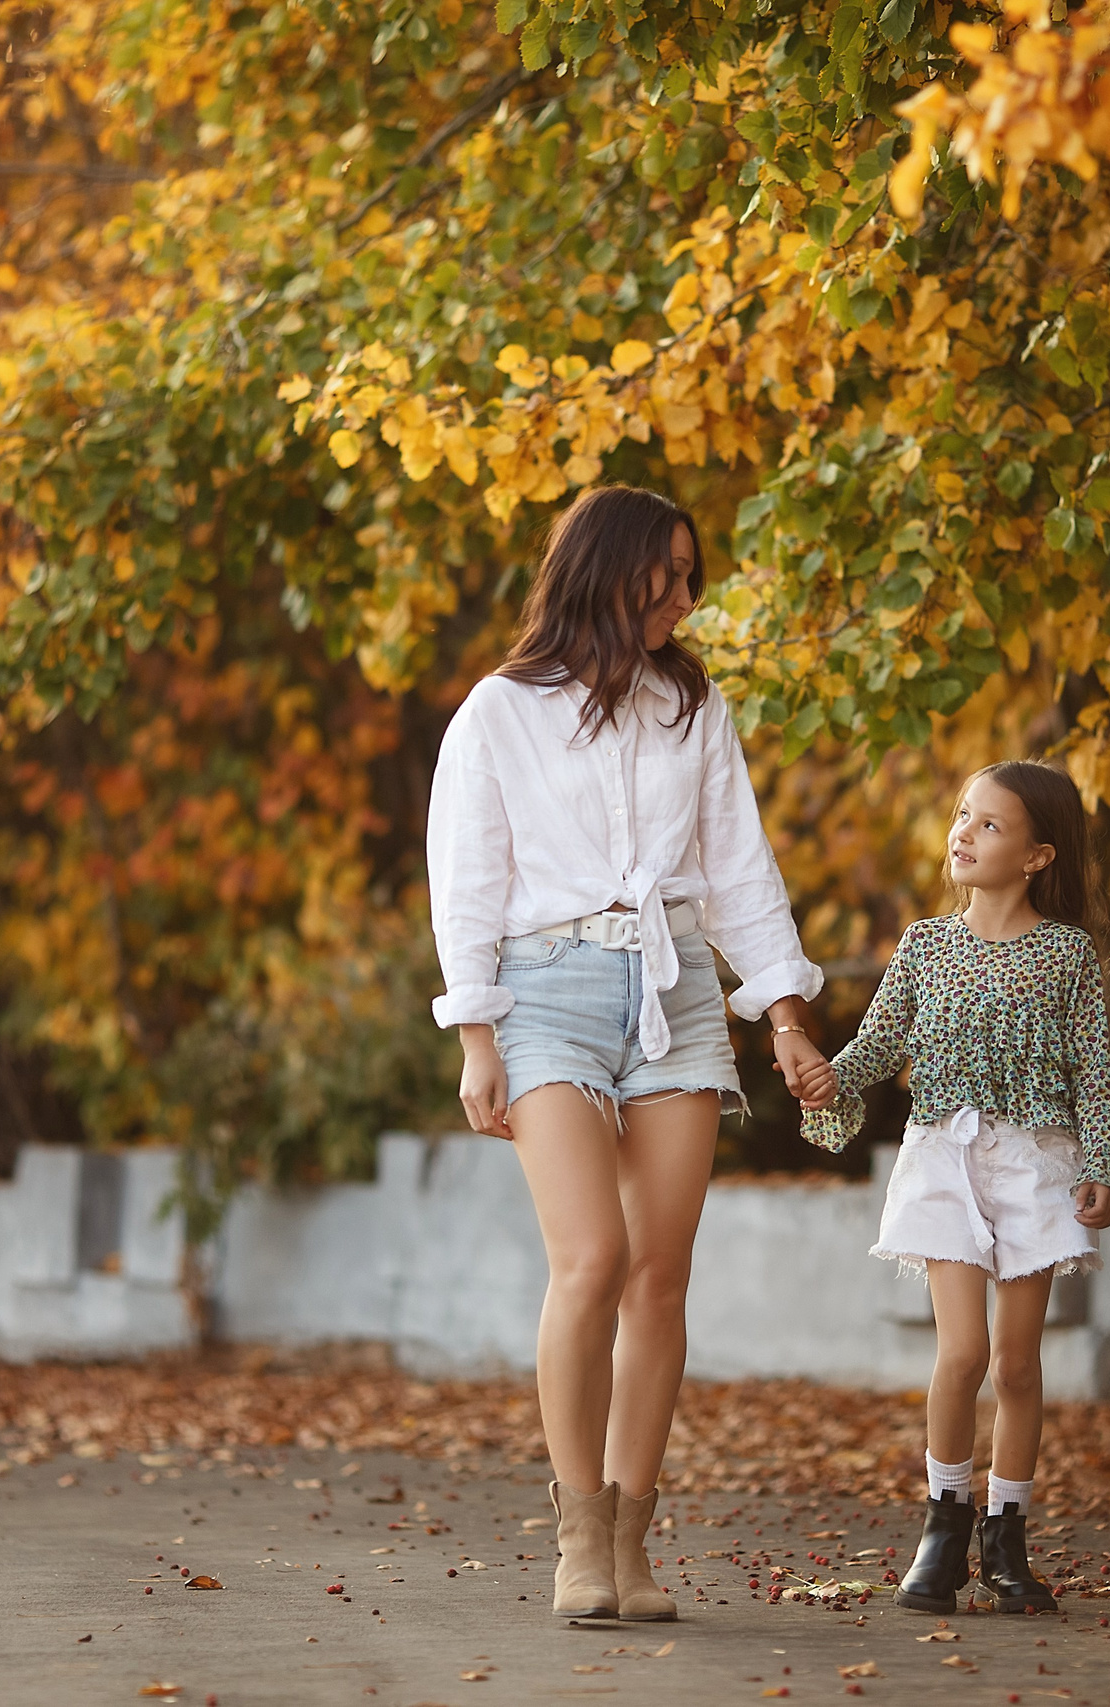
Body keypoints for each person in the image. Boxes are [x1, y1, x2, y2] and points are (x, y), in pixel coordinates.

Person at [427, 484, 835, 1622]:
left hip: (676, 988)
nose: (686, 597)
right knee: (591, 1259)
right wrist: (475, 1036)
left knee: (659, 1275)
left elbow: (740, 868)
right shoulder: (499, 711)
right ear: (609, 570)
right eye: (671, 574)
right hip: (543, 993)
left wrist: (785, 1017)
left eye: (693, 576)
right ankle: (575, 1540)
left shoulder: (692, 705)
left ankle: (629, 1546)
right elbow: (467, 880)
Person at [801, 759, 1110, 1615]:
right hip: (943, 1157)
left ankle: (1006, 1539)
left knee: (1017, 1364)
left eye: (990, 823)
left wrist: (1100, 1164)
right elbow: (878, 1045)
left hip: (1035, 1163)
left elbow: (1094, 1075)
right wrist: (830, 1078)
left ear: (1036, 855)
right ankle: (943, 1530)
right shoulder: (925, 944)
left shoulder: (1066, 954)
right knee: (962, 1354)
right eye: (962, 814)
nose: (964, 831)